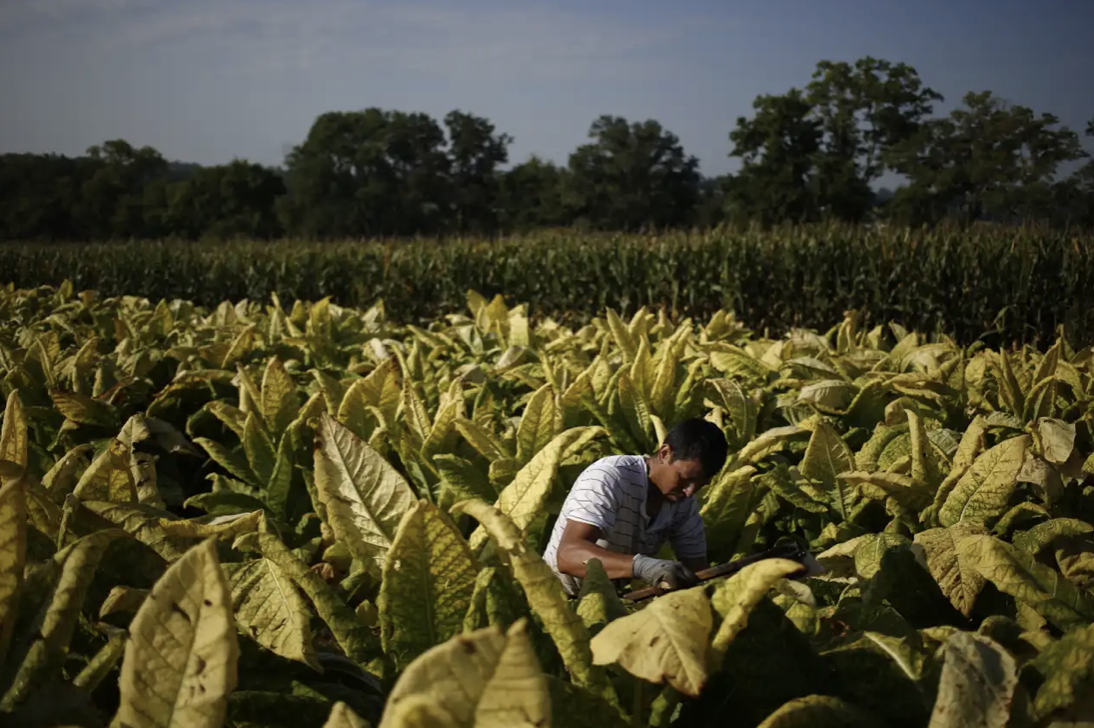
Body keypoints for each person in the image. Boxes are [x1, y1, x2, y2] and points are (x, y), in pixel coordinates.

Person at [543, 418, 729, 597]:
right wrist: (641, 566)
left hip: (608, 602)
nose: (689, 492)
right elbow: (568, 555)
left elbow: (698, 571)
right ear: (665, 453)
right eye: (684, 478)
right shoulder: (610, 476)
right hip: (555, 598)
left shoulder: (684, 503)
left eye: (700, 484)